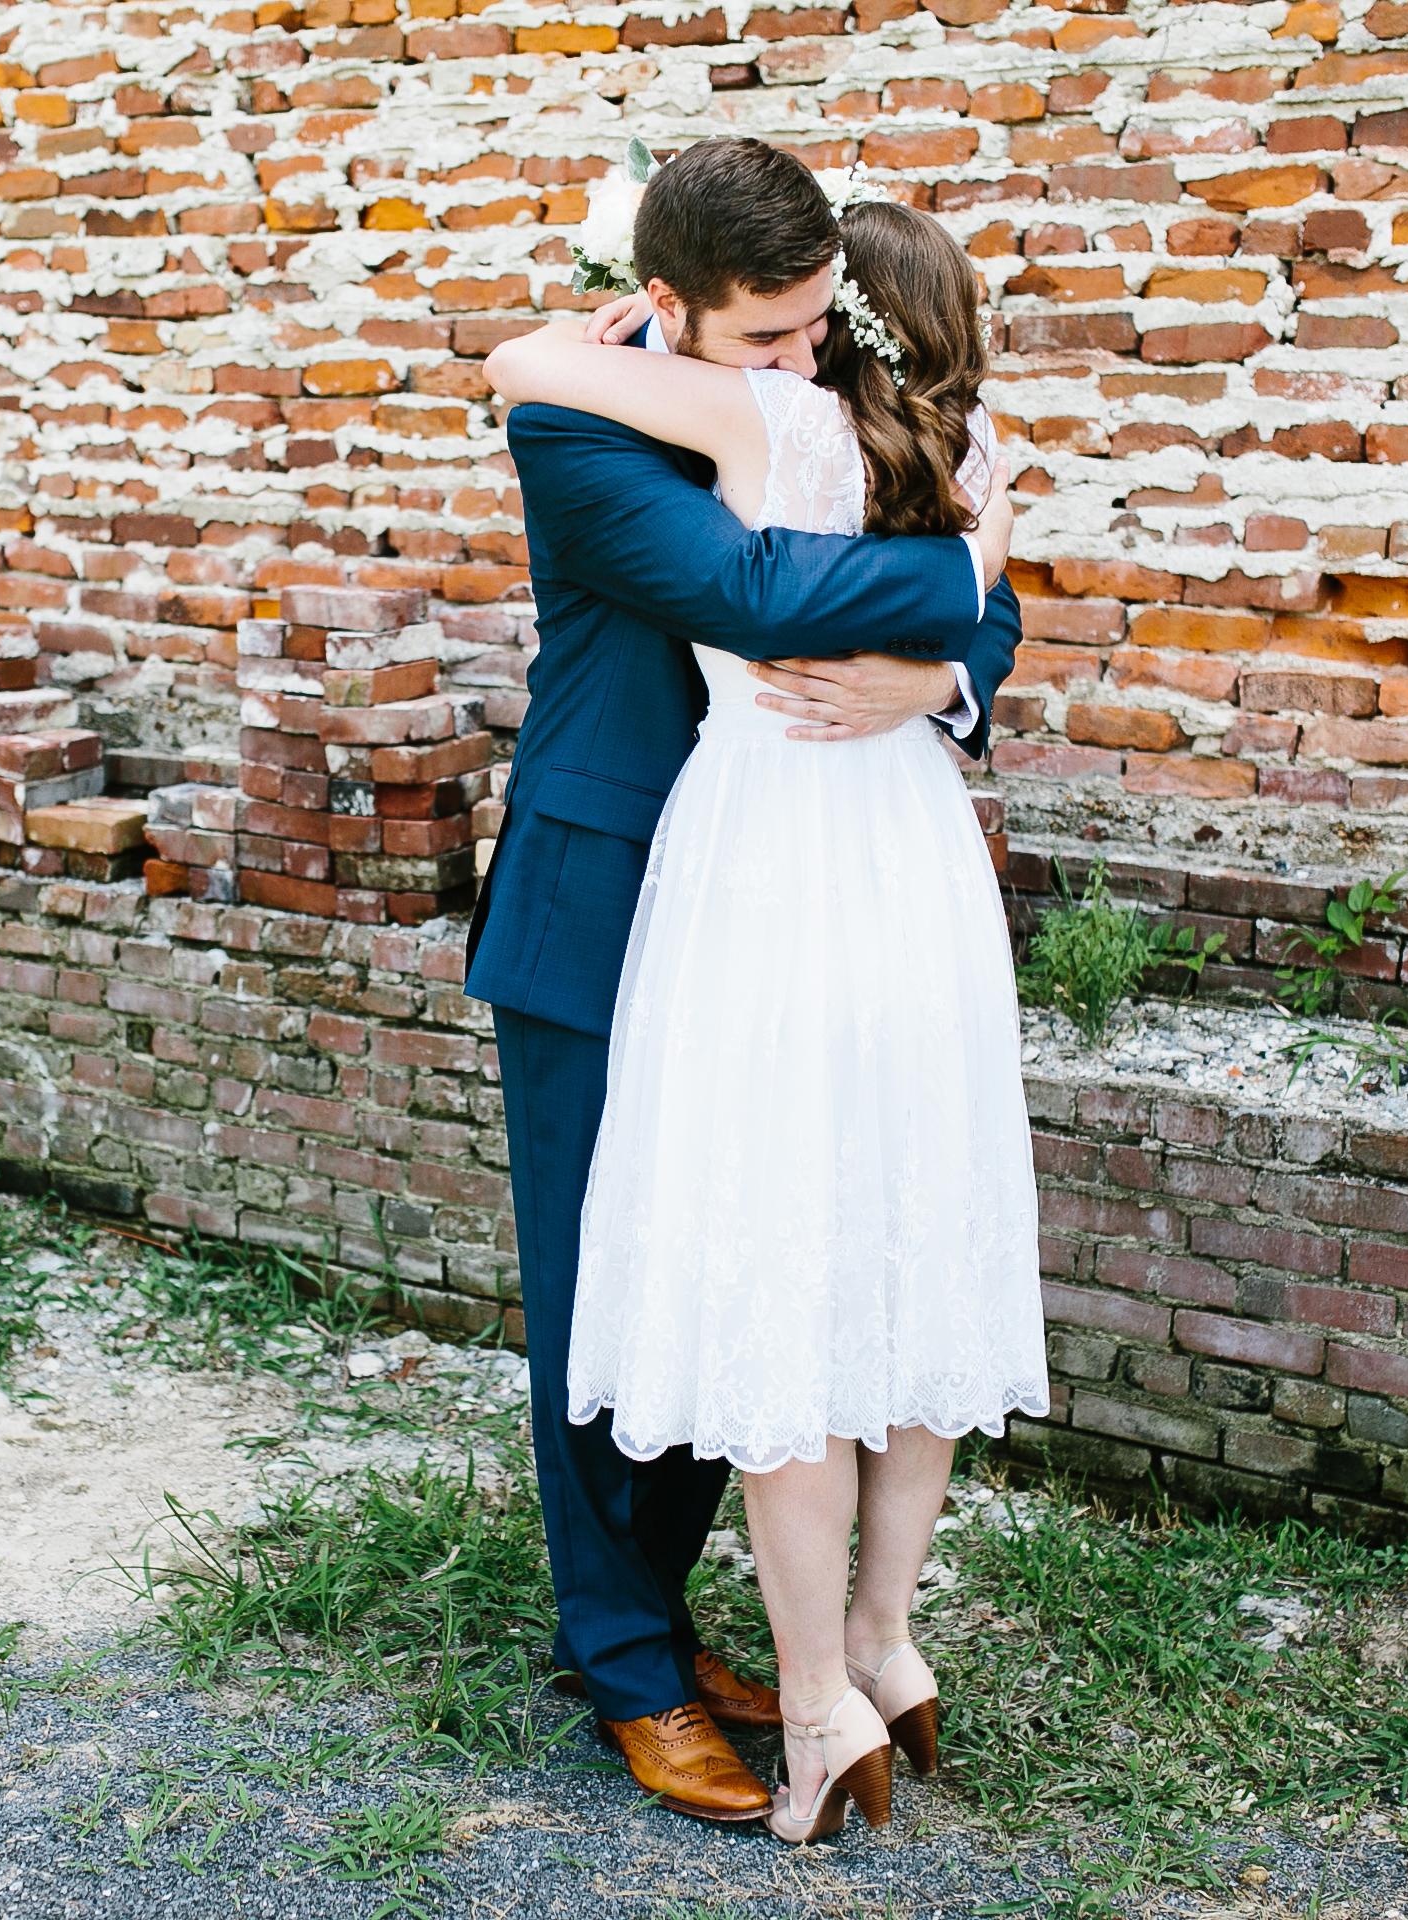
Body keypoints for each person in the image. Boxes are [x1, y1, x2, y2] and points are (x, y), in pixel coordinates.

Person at [463, 137, 1029, 1839]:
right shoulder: (574, 414)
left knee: (739, 1266)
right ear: (668, 307)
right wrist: (971, 571)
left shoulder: (798, 381)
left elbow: (963, 618)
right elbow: (742, 589)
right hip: (606, 890)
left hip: (780, 906)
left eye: (812, 334)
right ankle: (627, 1663)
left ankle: (713, 1626)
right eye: (769, 343)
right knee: (599, 1292)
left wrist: (941, 674)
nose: (805, 368)